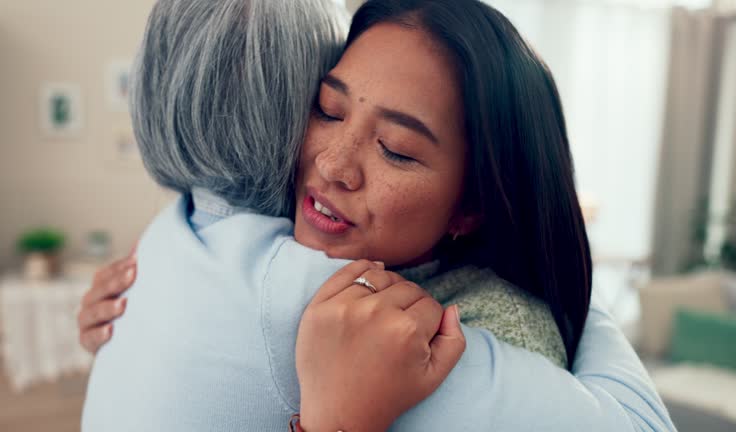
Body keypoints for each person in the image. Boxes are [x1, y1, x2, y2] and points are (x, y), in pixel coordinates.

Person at [81, 0, 677, 431]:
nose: (334, 164)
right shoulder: (281, 250)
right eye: (327, 109)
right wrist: (148, 316)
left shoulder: (489, 333)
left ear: (469, 208)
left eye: (396, 148)